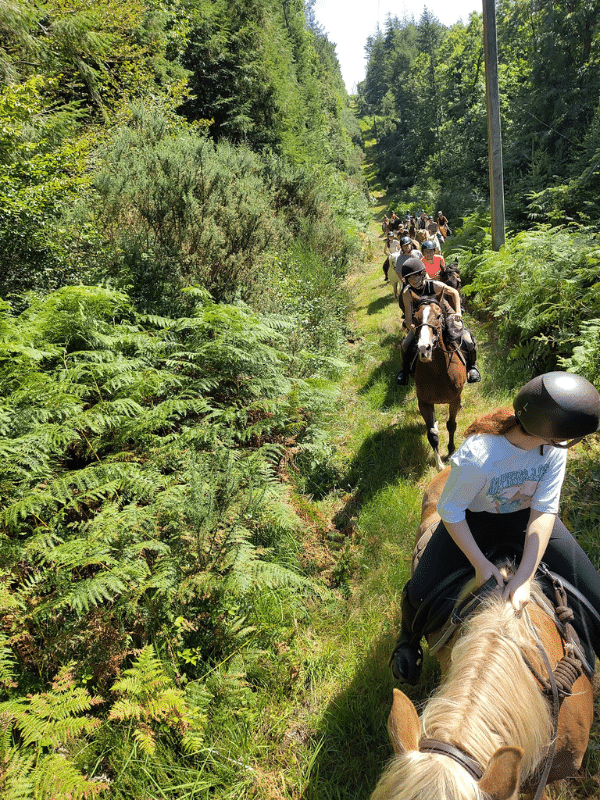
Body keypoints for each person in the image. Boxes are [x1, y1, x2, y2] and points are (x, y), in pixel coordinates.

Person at [390, 371, 600, 685]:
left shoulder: (553, 448)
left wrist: (526, 577)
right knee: (419, 591)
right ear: (551, 430)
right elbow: (450, 509)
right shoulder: (479, 456)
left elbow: (544, 510)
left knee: (594, 591)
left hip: (526, 517)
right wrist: (479, 563)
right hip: (475, 521)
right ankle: (407, 642)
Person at [395, 258, 481, 386]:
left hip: (445, 313)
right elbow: (408, 317)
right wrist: (414, 327)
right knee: (406, 345)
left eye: (416, 277)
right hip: (423, 320)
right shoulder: (407, 292)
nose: (414, 281)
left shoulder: (433, 284)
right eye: (410, 278)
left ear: (422, 274)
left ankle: (471, 368)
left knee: (467, 339)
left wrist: (457, 312)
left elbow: (453, 293)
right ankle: (405, 372)